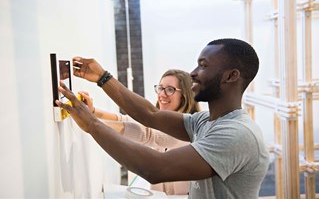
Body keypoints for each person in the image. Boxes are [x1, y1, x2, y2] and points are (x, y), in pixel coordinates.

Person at [56, 38, 269, 198]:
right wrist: (103, 78)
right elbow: (151, 115)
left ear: (231, 76)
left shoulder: (236, 134)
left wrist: (92, 124)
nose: (193, 73)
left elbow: (156, 168)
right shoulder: (204, 121)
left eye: (203, 66)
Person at [78, 69, 200, 195]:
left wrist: (90, 122)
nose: (162, 94)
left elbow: (147, 135)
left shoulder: (188, 128)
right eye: (160, 88)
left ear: (185, 95)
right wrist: (93, 112)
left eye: (170, 89)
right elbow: (125, 120)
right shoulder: (162, 122)